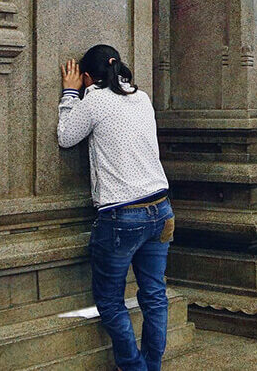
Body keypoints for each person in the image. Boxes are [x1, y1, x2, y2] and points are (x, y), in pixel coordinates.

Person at [58, 44, 173, 371]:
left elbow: (66, 136)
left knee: (110, 300)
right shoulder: (142, 97)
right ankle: (151, 366)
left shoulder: (93, 99)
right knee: (154, 295)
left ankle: (134, 367)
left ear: (87, 76)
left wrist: (71, 92)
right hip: (161, 208)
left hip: (123, 215)